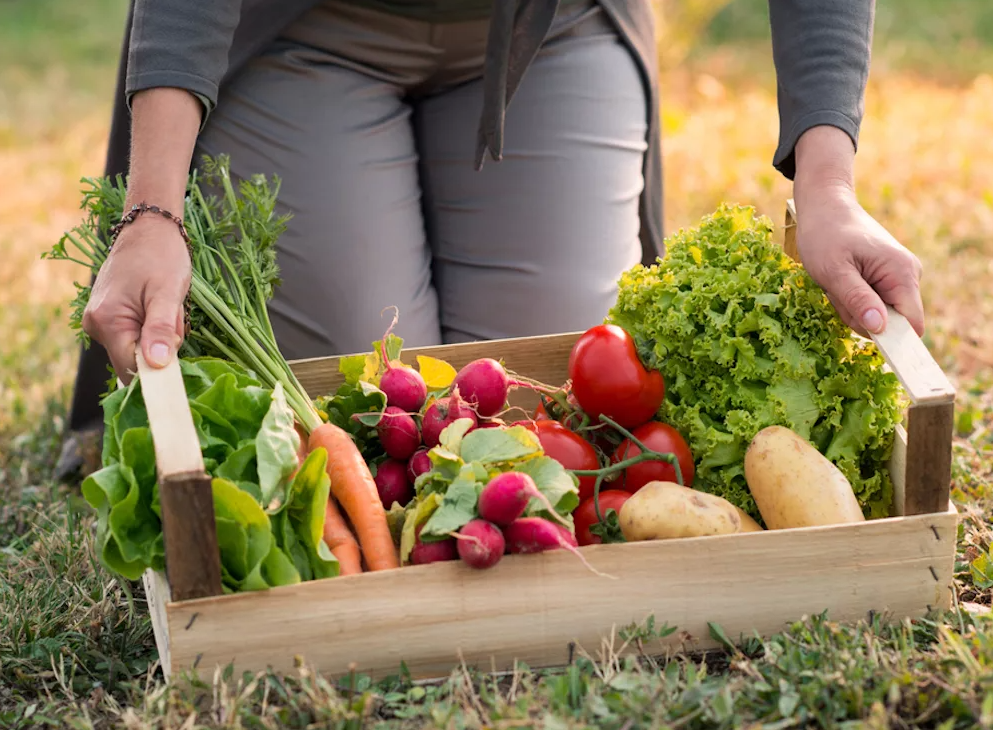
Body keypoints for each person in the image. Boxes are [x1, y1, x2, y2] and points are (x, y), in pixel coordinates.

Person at [56, 0, 925, 476]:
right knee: (371, 401)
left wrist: (827, 186)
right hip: (305, 31)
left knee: (543, 406)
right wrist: (153, 211)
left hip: (550, 31)